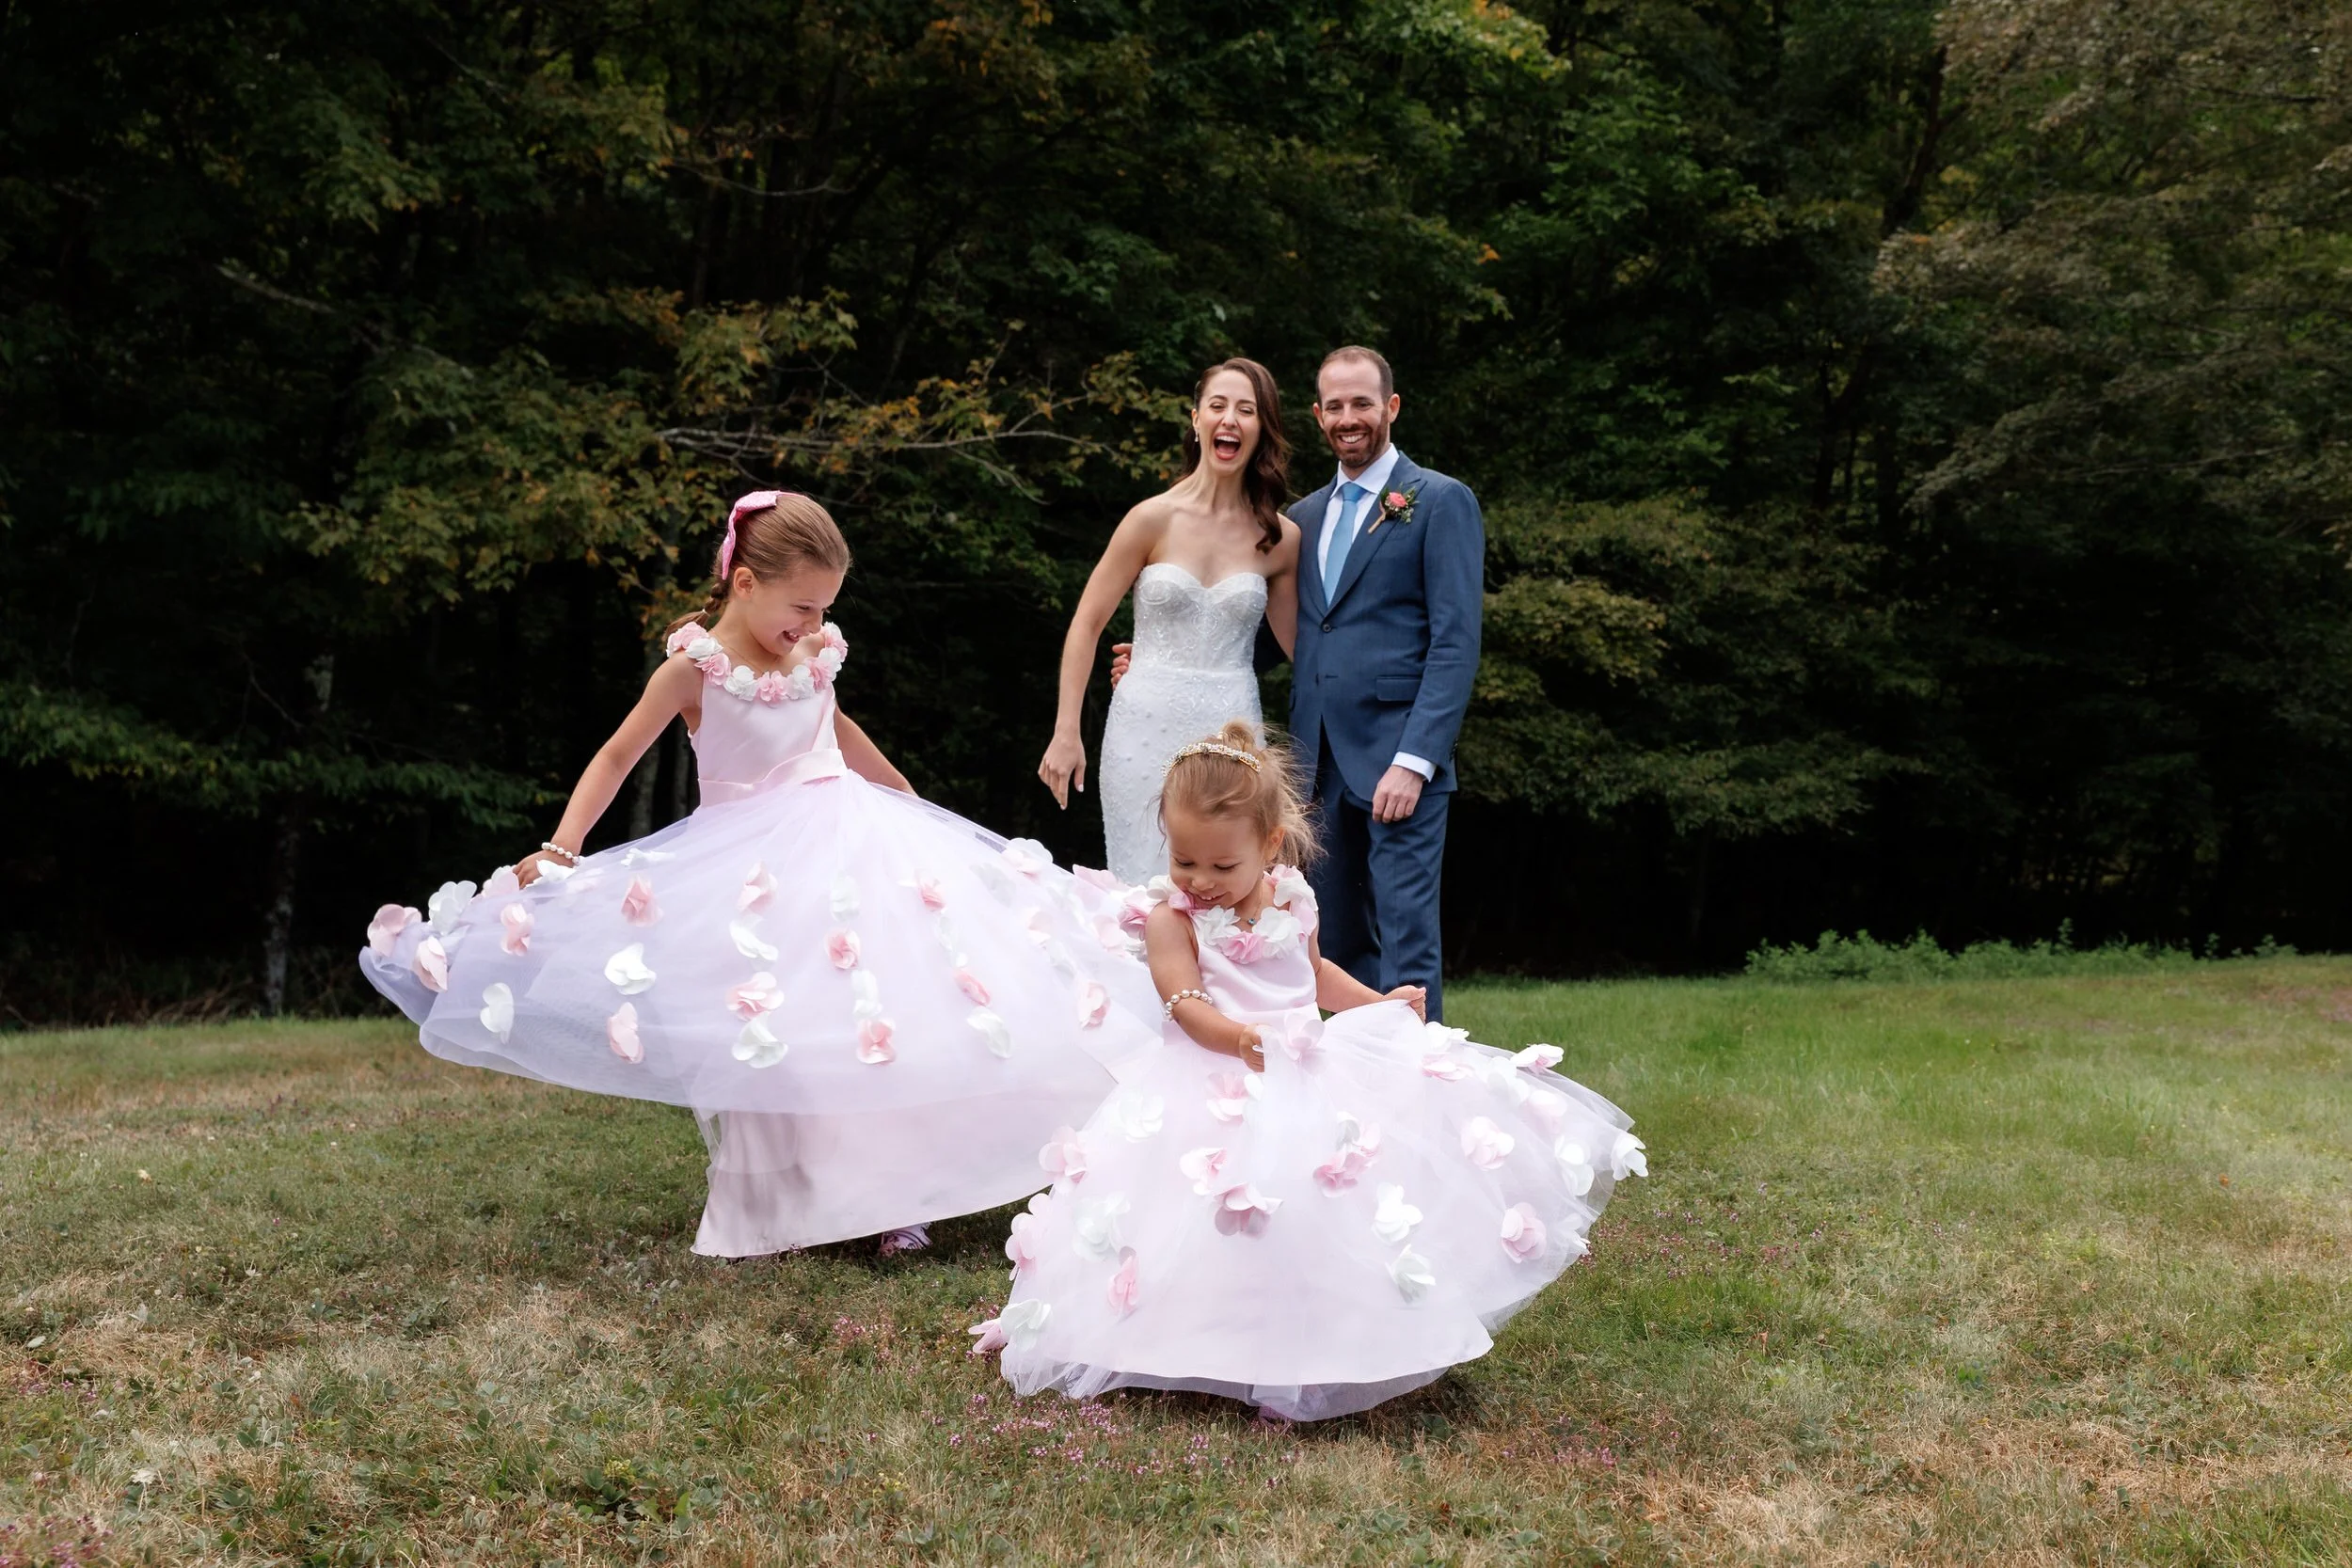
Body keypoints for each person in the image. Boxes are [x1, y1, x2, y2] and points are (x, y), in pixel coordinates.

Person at [359, 491, 1158, 1259]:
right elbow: (613, 756)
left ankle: (898, 1198)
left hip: (847, 845)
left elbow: (835, 727)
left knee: (876, 1015)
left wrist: (910, 802)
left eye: (823, 609)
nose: (813, 624)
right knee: (777, 1029)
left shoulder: (815, 654)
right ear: (745, 583)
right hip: (752, 872)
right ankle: (778, 1205)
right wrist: (565, 845)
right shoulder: (693, 672)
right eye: (802, 607)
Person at [972, 723, 1644, 1422]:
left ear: (1268, 845)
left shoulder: (1294, 899)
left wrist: (1376, 1003)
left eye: (1221, 867)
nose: (1199, 881)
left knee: (1315, 1207)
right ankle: (1185, 1330)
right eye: (1184, 861)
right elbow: (1187, 1002)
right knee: (1198, 1213)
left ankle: (1310, 1336)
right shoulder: (1170, 920)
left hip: (1300, 1070)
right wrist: (1244, 1039)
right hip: (1210, 1080)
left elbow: (1313, 972)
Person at [1037, 358, 1301, 883]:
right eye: (1218, 406)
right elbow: (1087, 623)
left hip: (1232, 730)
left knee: (1228, 886)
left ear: (1261, 428)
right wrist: (1067, 730)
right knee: (1143, 887)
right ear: (1196, 419)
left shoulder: (1281, 539)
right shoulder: (1150, 519)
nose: (1229, 419)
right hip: (1142, 726)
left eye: (1246, 410)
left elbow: (1304, 652)